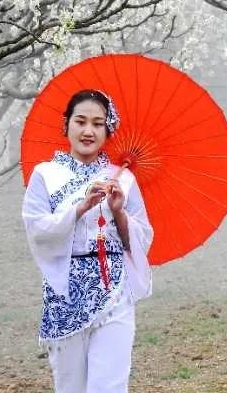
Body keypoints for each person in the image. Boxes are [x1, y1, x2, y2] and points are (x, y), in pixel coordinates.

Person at [22, 89, 153, 393]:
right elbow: (37, 229)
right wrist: (80, 208)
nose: (88, 131)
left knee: (109, 386)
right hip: (64, 293)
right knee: (71, 386)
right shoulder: (45, 174)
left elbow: (142, 238)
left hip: (113, 290)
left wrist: (119, 212)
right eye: (80, 121)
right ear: (66, 124)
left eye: (98, 123)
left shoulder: (123, 179)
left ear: (108, 130)